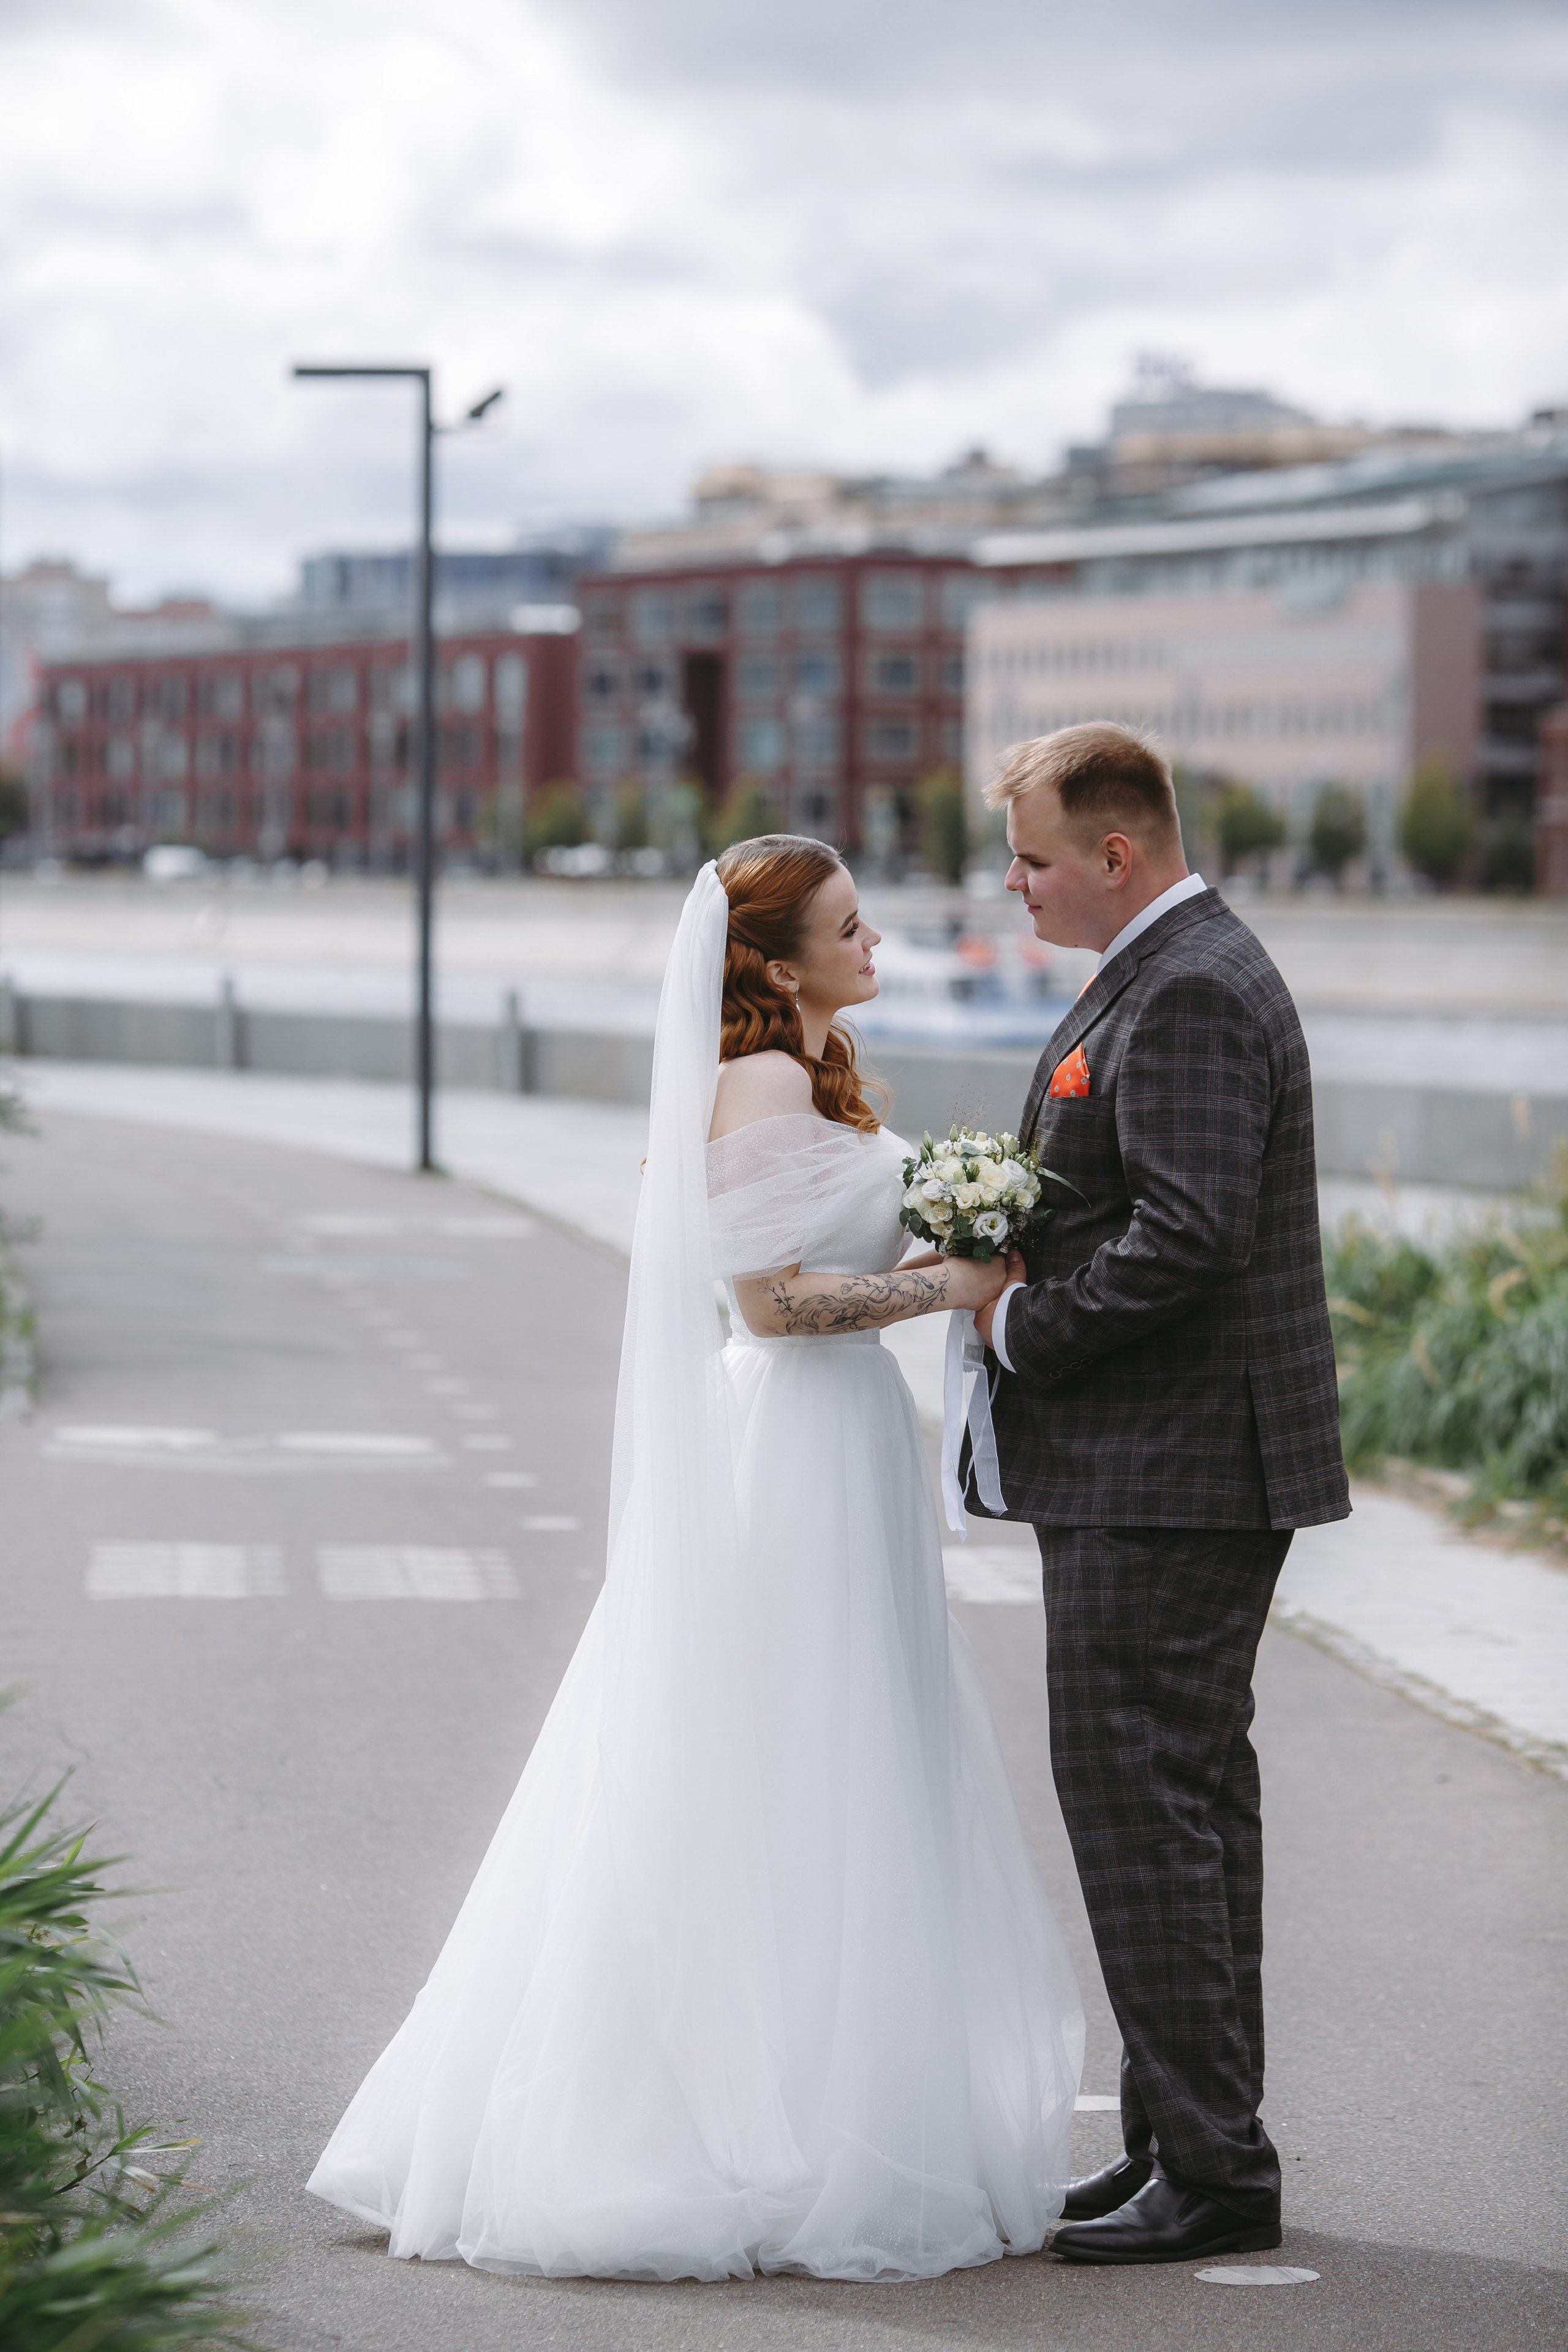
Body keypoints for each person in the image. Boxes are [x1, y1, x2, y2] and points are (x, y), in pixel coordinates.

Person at [307, 835, 1082, 2283]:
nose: (875, 944)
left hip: (834, 1439)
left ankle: (807, 2099)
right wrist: (948, 1282)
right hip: (794, 1444)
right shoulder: (765, 1082)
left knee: (822, 1755)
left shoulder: (799, 1072)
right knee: (798, 1758)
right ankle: (748, 2128)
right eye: (848, 928)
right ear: (774, 967)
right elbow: (770, 1307)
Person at [966, 723, 1350, 2266]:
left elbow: (1187, 1234)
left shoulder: (1185, 987)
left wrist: (1018, 1323)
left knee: (1139, 1805)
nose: (1013, 883)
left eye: (1032, 858)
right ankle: (1183, 2144)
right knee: (1176, 1809)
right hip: (1171, 1466)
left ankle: (1210, 2169)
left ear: (1112, 854)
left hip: (1170, 1472)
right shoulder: (1166, 968)